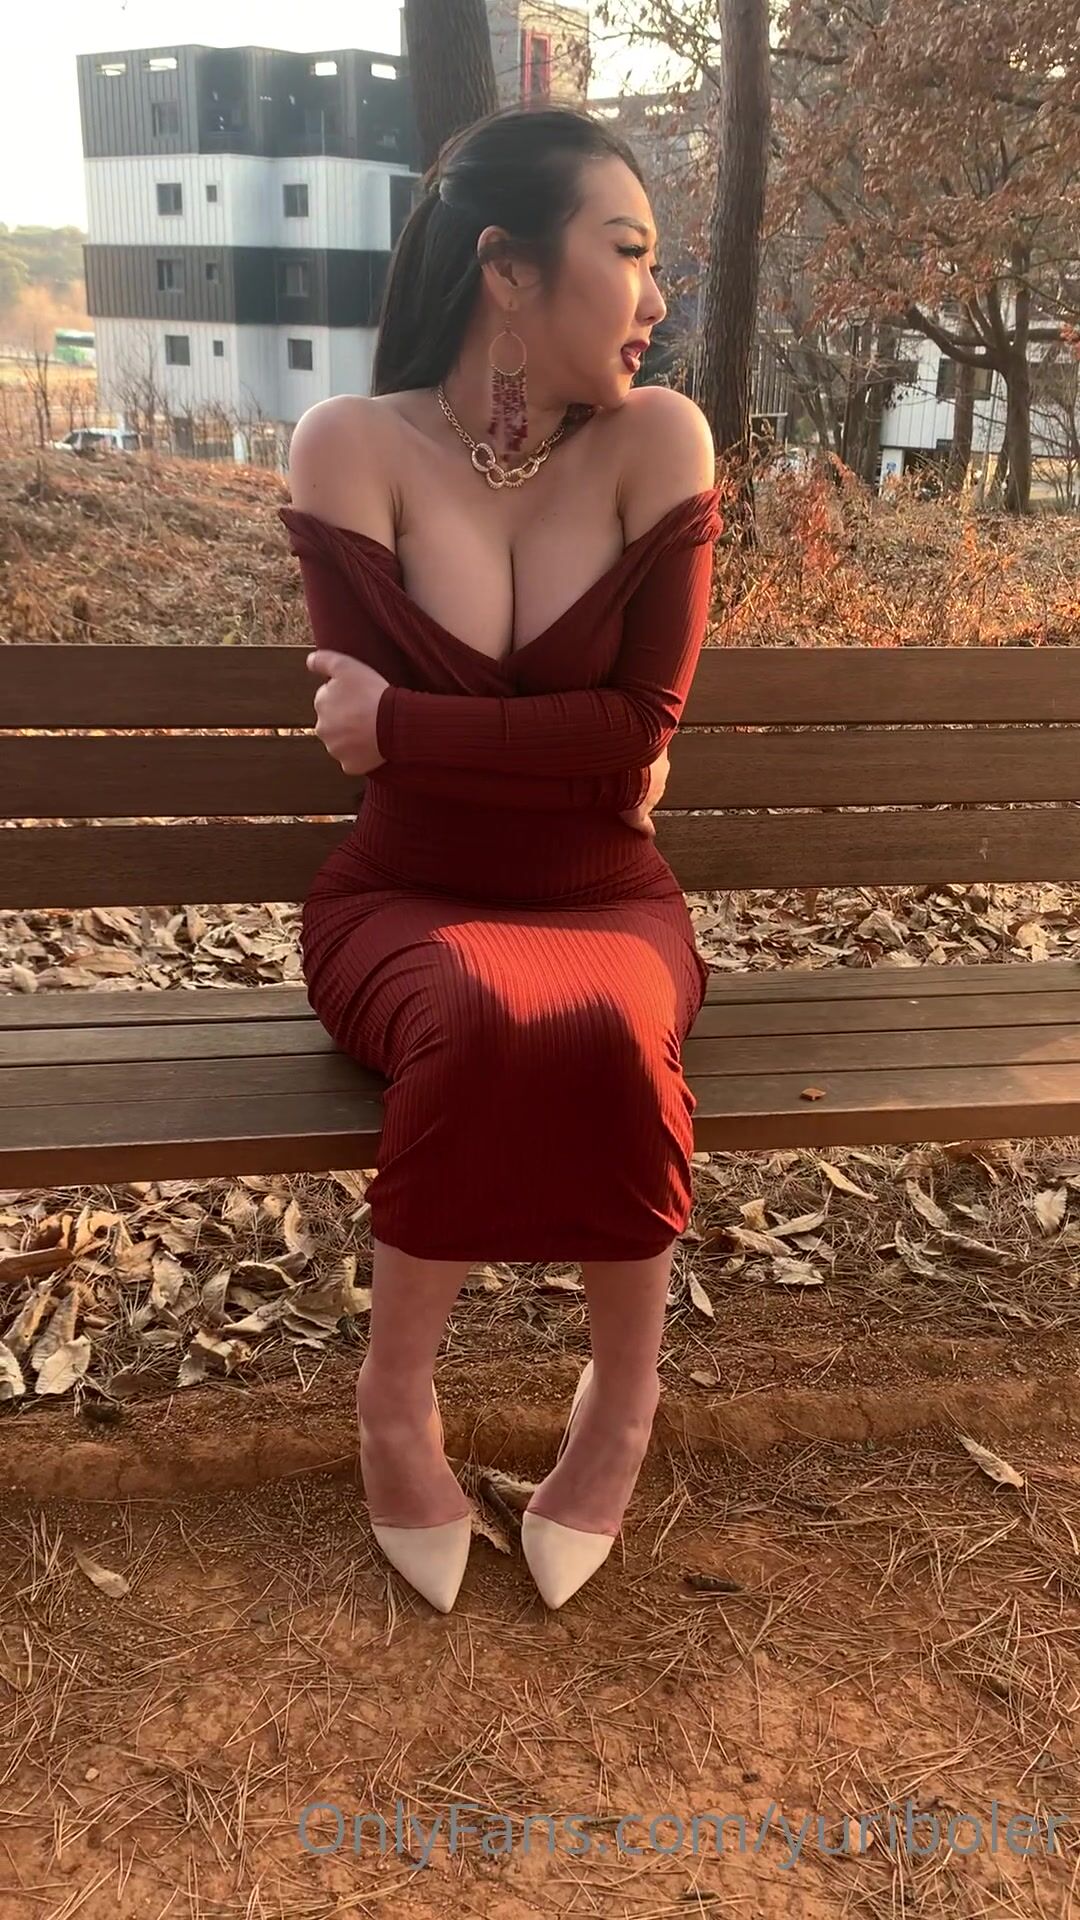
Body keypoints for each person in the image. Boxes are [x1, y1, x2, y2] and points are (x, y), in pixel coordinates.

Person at [280, 104, 721, 1615]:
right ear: (510, 271)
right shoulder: (352, 446)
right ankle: (393, 1404)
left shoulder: (660, 440)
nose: (656, 295)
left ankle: (622, 1402)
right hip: (400, 904)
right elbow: (426, 764)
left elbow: (635, 732)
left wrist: (410, 720)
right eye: (629, 250)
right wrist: (560, 749)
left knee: (603, 1018)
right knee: (478, 1006)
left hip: (609, 900)